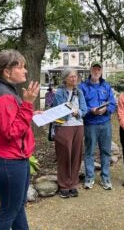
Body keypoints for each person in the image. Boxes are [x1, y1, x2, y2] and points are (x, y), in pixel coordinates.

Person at [0, 49, 40, 230]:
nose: (25, 71)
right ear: (7, 71)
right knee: (9, 210)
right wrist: (28, 104)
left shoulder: (6, 91)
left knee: (17, 207)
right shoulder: (3, 95)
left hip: (14, 158)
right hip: (8, 161)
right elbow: (11, 132)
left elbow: (11, 121)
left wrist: (29, 112)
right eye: (21, 67)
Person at [79, 61, 117, 190]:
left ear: (101, 71)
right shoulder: (82, 87)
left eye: (98, 69)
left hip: (105, 123)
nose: (96, 71)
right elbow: (80, 105)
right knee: (89, 152)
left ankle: (105, 178)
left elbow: (112, 103)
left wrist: (106, 109)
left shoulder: (106, 86)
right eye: (94, 69)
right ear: (90, 70)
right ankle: (89, 178)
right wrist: (91, 110)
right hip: (90, 124)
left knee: (105, 151)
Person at [51, 68, 87, 198]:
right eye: (71, 77)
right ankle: (64, 185)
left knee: (76, 156)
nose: (74, 79)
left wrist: (79, 113)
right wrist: (70, 109)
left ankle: (73, 184)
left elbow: (84, 109)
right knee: (64, 155)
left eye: (75, 76)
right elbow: (58, 109)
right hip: (64, 126)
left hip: (78, 125)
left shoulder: (80, 92)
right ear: (65, 78)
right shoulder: (59, 92)